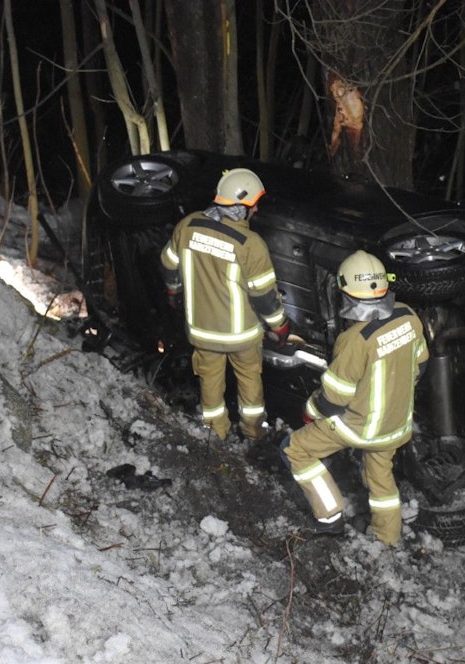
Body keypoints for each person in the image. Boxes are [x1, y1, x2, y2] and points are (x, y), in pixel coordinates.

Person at [281, 250, 428, 545]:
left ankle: (330, 516)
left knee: (294, 449)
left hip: (360, 428)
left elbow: (335, 398)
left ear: (346, 292)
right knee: (380, 478)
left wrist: (310, 408)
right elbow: (420, 365)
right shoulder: (409, 317)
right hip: (396, 424)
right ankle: (387, 538)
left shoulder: (354, 340)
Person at [159, 167, 290, 442]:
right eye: (254, 205)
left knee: (210, 382)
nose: (256, 211)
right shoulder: (251, 244)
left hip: (203, 333)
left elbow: (168, 264)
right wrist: (280, 326)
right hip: (242, 337)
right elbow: (264, 296)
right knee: (250, 383)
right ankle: (253, 434)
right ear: (242, 207)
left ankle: (214, 434)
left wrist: (174, 292)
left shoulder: (187, 226)